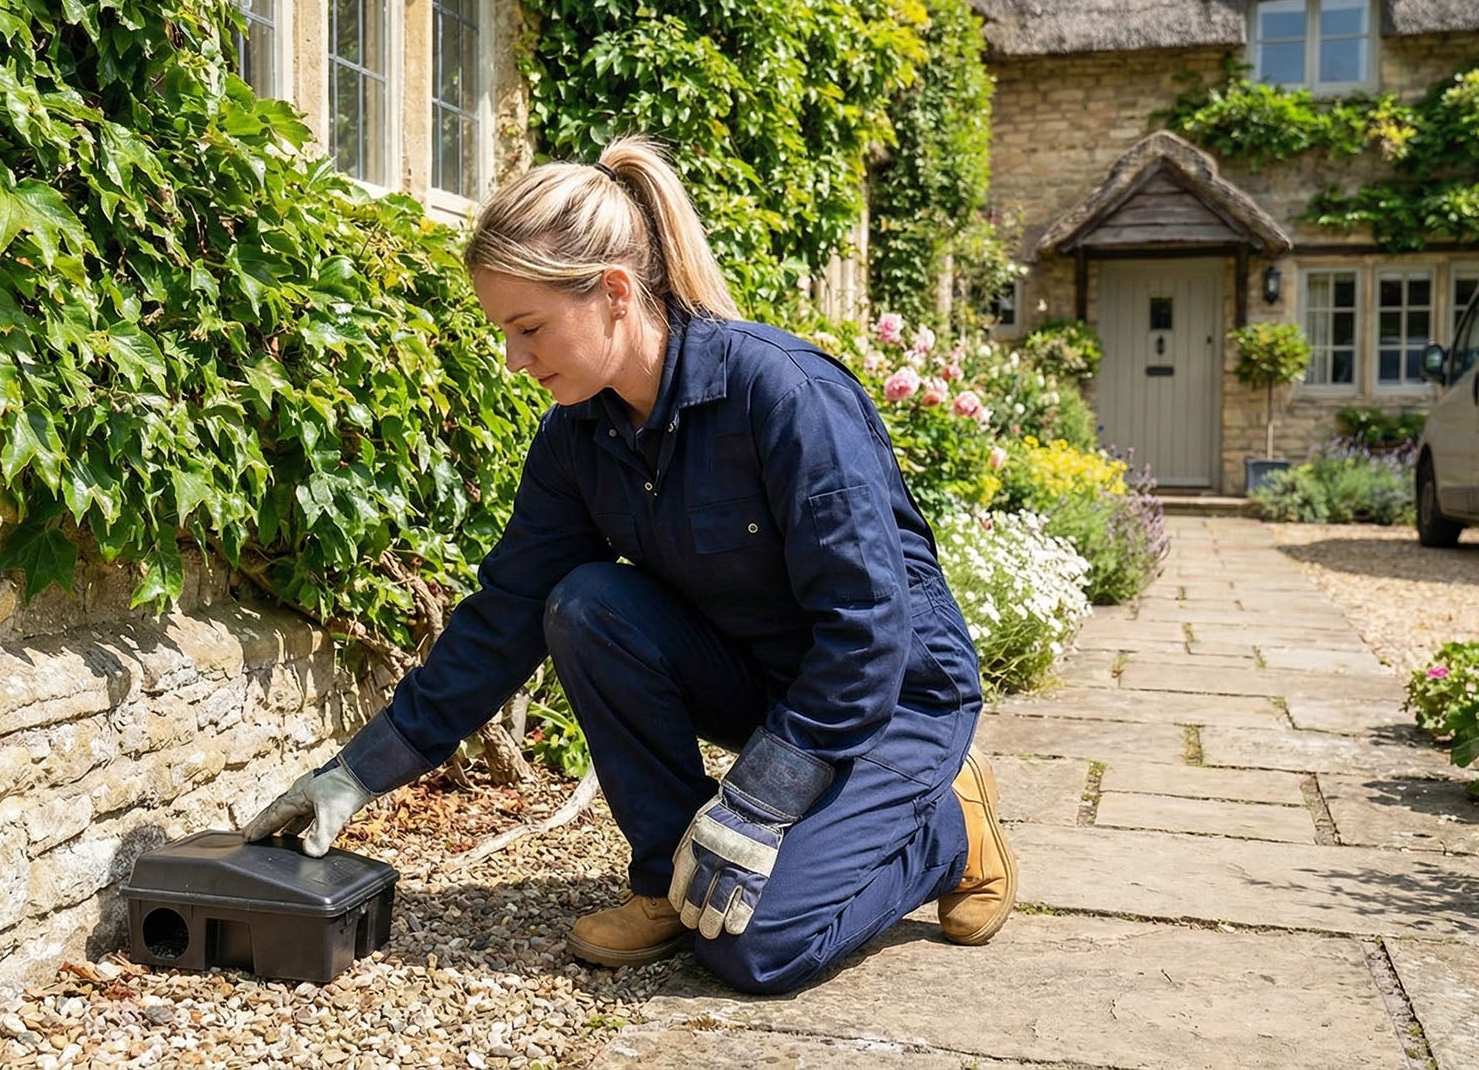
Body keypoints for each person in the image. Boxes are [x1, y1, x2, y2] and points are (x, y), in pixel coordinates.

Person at [243, 137, 1015, 995]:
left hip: (888, 699)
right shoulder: (580, 437)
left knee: (754, 951)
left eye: (529, 327)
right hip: (766, 684)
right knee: (585, 602)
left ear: (615, 291)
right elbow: (506, 616)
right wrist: (355, 773)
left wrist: (761, 799)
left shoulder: (782, 394)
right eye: (505, 332)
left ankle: (943, 825)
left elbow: (870, 630)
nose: (515, 360)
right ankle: (670, 878)